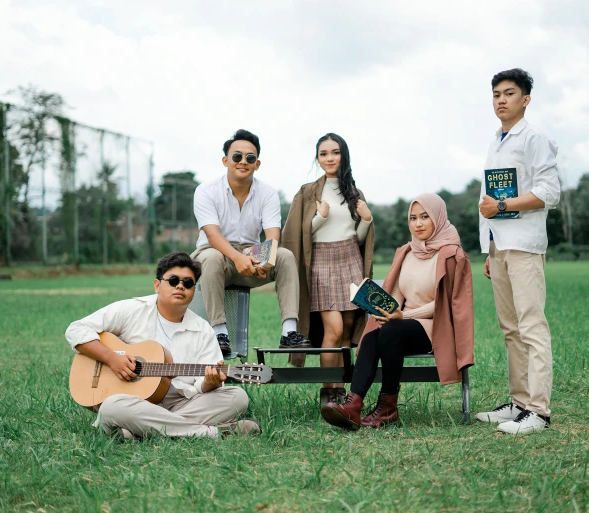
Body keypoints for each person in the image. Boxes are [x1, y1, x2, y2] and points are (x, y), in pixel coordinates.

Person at [65, 252, 260, 439]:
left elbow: (203, 386)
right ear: (157, 285)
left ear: (193, 289)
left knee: (238, 397)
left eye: (188, 283)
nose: (180, 286)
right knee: (111, 406)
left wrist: (210, 382)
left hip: (183, 403)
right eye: (173, 281)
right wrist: (112, 358)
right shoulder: (132, 309)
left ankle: (139, 430)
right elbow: (76, 329)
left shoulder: (203, 330)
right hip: (134, 401)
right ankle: (214, 433)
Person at [321, 193, 474, 431]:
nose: (418, 224)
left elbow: (446, 304)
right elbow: (398, 298)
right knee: (374, 334)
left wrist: (404, 316)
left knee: (391, 330)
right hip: (402, 325)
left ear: (439, 218)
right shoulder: (407, 252)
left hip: (437, 326)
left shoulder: (451, 254)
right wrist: (377, 304)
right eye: (413, 218)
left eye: (425, 217)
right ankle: (353, 405)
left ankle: (387, 406)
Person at [476, 68, 561, 435]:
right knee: (511, 329)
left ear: (525, 99)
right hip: (500, 248)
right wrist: (489, 247)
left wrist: (505, 206)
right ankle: (519, 403)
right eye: (496, 94)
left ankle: (538, 412)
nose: (501, 100)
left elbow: (549, 192)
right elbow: (488, 201)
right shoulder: (497, 139)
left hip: (525, 246)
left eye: (509, 94)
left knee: (531, 327)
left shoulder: (535, 137)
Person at [191, 129, 311, 355]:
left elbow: (273, 234)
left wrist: (265, 259)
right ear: (226, 160)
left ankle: (289, 332)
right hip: (213, 256)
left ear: (257, 164)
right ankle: (219, 334)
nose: (243, 161)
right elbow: (212, 235)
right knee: (213, 256)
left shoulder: (267, 193)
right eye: (237, 156)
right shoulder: (206, 191)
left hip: (251, 256)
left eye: (250, 158)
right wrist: (237, 258)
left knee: (284, 255)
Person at [283, 133, 375, 406]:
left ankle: (341, 391)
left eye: (335, 152)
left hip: (349, 259)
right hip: (321, 260)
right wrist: (320, 218)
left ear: (343, 156)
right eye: (323, 153)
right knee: (332, 329)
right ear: (318, 158)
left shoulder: (354, 193)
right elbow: (298, 235)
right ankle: (327, 391)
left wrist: (366, 221)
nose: (329, 158)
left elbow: (358, 239)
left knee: (347, 329)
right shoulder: (308, 191)